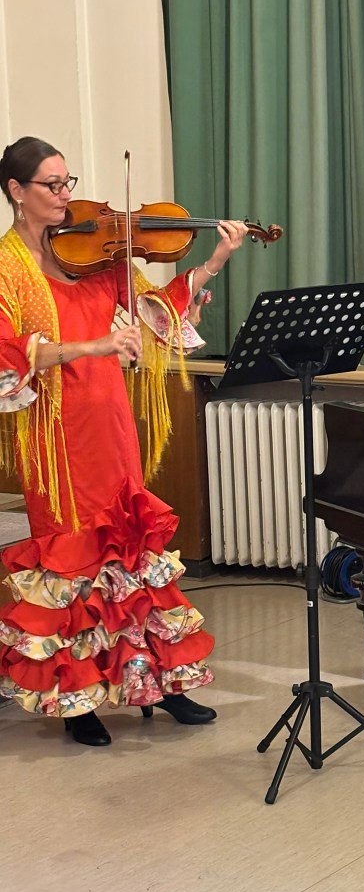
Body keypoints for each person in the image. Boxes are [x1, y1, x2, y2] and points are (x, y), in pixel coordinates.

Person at [0, 135, 249, 746]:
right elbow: (12, 351)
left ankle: (162, 685)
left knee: (132, 551)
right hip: (56, 437)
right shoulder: (6, 266)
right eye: (52, 185)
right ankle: (79, 701)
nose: (66, 195)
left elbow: (154, 310)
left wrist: (215, 260)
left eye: (68, 182)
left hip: (109, 420)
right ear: (16, 191)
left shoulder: (96, 251)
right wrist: (95, 345)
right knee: (73, 561)